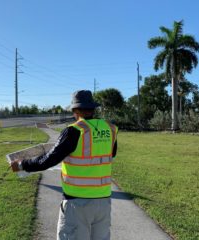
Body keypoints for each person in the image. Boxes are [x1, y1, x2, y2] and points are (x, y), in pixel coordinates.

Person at [10, 90, 118, 240]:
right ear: (93, 108)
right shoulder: (110, 129)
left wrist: (22, 164)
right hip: (104, 202)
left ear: (76, 110)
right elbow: (110, 154)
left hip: (77, 204)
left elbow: (49, 160)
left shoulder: (74, 131)